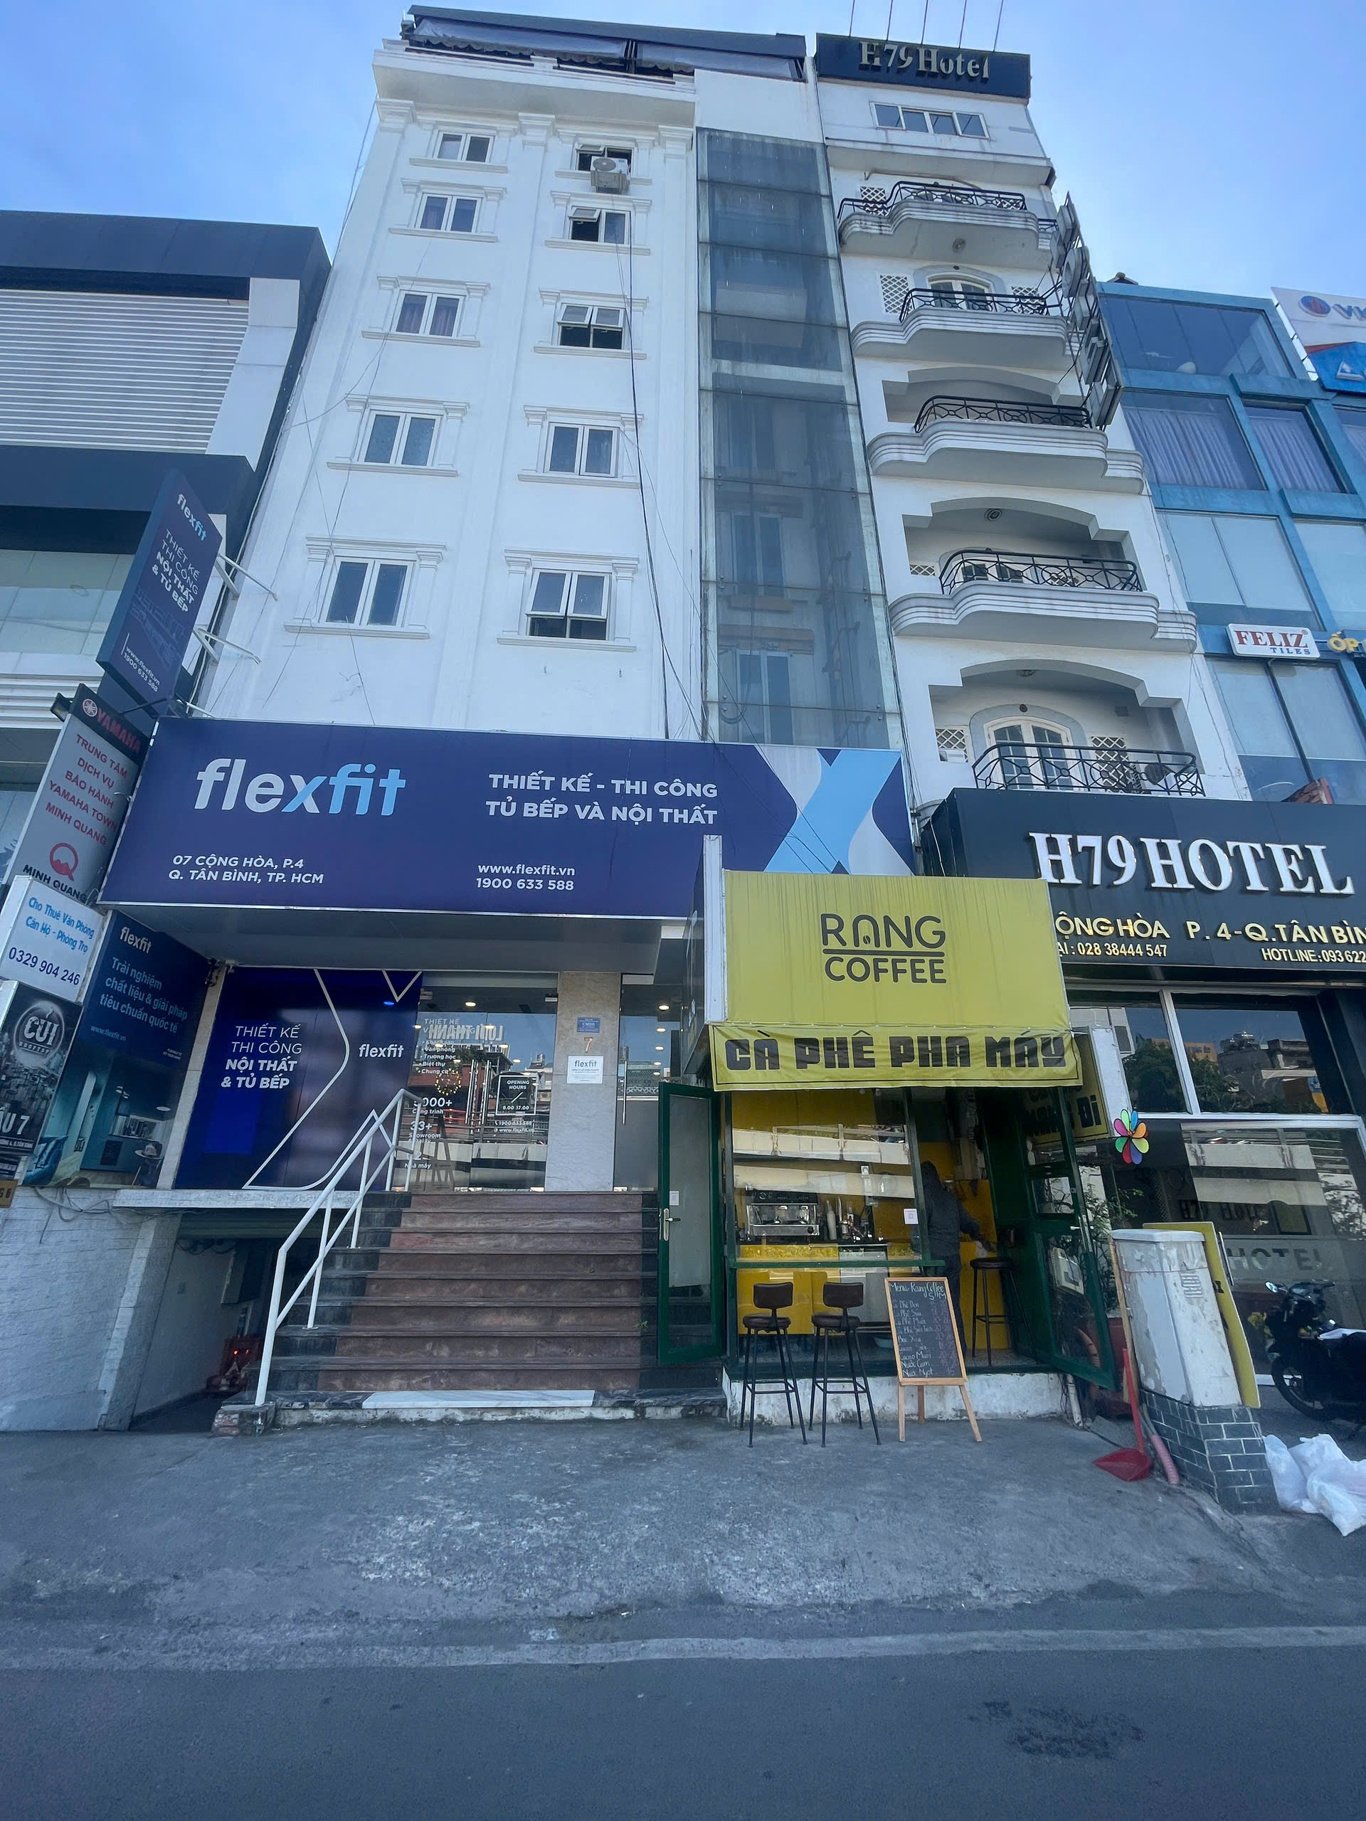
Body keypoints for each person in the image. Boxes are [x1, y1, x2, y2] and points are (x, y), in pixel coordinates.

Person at [919, 1161, 984, 1328]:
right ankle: (958, 1342)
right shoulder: (950, 1198)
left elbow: (918, 1232)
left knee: (934, 1305)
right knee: (953, 1305)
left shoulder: (923, 1199)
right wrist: (978, 1235)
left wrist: (916, 1251)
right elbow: (968, 1223)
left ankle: (938, 1342)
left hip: (933, 1259)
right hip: (953, 1257)